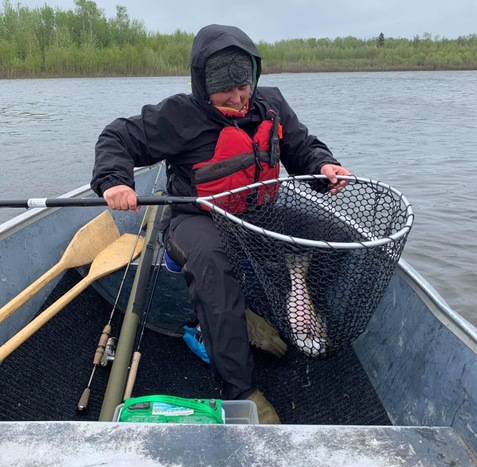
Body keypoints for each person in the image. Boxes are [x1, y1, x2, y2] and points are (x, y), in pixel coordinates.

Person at [91, 23, 351, 424]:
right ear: (202, 85)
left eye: (244, 87)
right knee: (213, 268)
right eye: (225, 91)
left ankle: (291, 308)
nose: (238, 98)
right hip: (198, 217)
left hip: (256, 213)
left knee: (336, 239)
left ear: (254, 77)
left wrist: (323, 164)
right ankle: (240, 389)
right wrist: (116, 180)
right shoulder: (178, 115)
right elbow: (117, 138)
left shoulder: (270, 103)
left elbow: (301, 146)